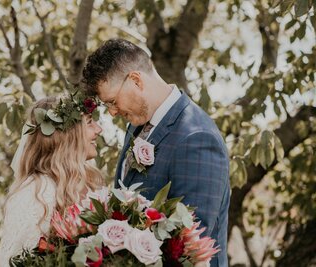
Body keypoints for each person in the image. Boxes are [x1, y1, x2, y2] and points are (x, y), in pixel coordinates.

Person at [82, 39, 230, 267]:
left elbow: (188, 249)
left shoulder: (197, 138)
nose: (112, 113)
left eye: (112, 101)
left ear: (136, 80)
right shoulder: (137, 125)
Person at [0, 95, 103, 267]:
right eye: (90, 122)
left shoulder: (89, 183)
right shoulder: (36, 191)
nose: (98, 129)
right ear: (69, 135)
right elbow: (16, 261)